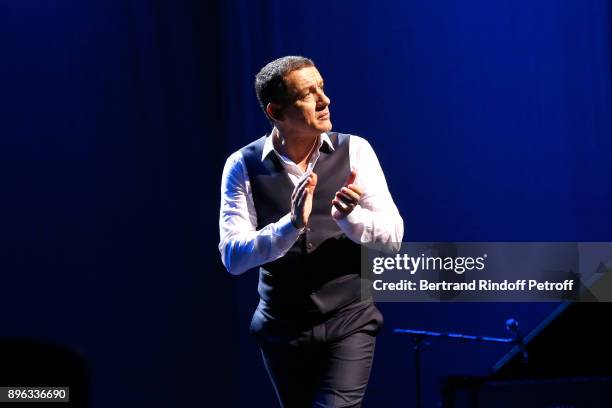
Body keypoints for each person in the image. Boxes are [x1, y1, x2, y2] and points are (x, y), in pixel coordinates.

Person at [218, 56, 403, 407]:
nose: (325, 100)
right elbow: (233, 257)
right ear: (276, 112)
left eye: (322, 87)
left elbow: (393, 238)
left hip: (349, 320)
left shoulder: (356, 151)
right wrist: (290, 225)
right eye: (308, 93)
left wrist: (350, 219)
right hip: (282, 330)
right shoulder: (242, 165)